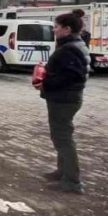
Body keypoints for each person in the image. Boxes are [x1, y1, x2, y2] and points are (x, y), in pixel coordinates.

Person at [34, 13, 90, 194]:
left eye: (57, 27)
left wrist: (47, 82)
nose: (54, 30)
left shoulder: (69, 49)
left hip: (64, 98)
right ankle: (62, 171)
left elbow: (72, 75)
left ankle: (72, 180)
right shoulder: (73, 45)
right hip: (65, 97)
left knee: (62, 137)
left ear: (67, 29)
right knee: (60, 135)